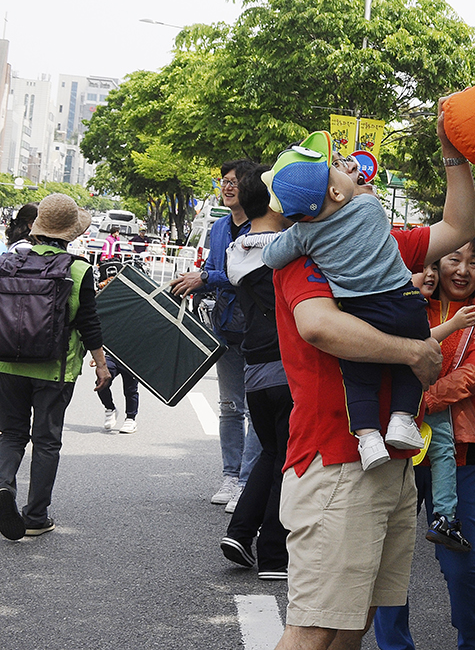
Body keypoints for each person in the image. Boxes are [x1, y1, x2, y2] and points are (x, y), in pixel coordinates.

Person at [267, 112, 474, 650]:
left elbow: (457, 230)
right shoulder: (305, 249)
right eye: (335, 164)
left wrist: (455, 152)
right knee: (314, 625)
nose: (348, 167)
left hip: (388, 460)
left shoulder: (372, 240)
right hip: (335, 458)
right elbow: (318, 325)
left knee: (353, 619)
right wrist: (415, 352)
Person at [261, 149, 430, 469]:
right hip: (403, 301)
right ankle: (402, 420)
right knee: (413, 357)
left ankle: (368, 440)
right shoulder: (369, 206)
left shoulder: (303, 234)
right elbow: (361, 194)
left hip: (359, 313)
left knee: (358, 377)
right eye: (336, 170)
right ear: (337, 191)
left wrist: (299, 229)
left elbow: (270, 257)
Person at [375, 236, 475, 650]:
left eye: (474, 262)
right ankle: (395, 646)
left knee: (461, 563)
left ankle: (471, 641)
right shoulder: (407, 300)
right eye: (454, 258)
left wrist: (418, 402)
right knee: (388, 559)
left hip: (460, 449)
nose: (463, 270)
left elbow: (474, 374)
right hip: (400, 446)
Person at [0, 193, 111, 541]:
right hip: (55, 370)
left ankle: (3, 486)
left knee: (12, 434)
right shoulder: (77, 270)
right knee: (46, 442)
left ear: (35, 228)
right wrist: (101, 365)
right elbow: (89, 323)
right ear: (71, 234)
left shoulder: (9, 262)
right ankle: (35, 516)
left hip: (7, 365)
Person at [171, 159, 261, 510]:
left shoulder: (263, 225)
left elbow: (250, 272)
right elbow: (213, 267)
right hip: (223, 327)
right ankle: (229, 475)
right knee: (229, 407)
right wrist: (198, 277)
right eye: (223, 181)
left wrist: (207, 278)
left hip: (256, 329)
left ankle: (246, 481)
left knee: (255, 410)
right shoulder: (220, 226)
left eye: (234, 181)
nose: (227, 187)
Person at [221, 164, 294, 579]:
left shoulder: (238, 250)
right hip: (289, 369)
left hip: (255, 369)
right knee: (287, 460)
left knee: (271, 453)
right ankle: (273, 554)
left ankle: (240, 530)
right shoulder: (289, 249)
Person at [95, 349, 140, 433]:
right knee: (102, 382)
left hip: (133, 358)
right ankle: (110, 408)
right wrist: (97, 356)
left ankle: (130, 419)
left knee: (130, 390)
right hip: (112, 356)